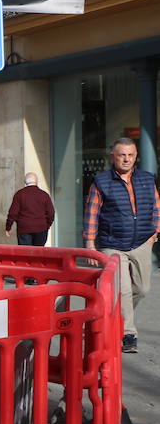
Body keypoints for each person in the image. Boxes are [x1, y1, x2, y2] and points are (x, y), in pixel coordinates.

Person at [83, 138, 159, 353]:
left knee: (142, 289)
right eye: (122, 155)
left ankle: (118, 316)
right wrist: (90, 243)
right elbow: (92, 213)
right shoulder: (101, 182)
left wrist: (155, 233)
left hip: (142, 241)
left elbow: (156, 205)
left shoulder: (147, 179)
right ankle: (128, 334)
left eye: (130, 155)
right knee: (123, 290)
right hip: (112, 243)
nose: (126, 159)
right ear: (113, 157)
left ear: (136, 157)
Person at [5, 173, 54, 246]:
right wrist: (47, 225)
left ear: (25, 182)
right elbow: (51, 213)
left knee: (26, 254)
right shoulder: (44, 195)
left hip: (24, 228)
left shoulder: (19, 194)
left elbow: (13, 213)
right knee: (39, 253)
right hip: (41, 228)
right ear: (36, 181)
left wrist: (8, 227)